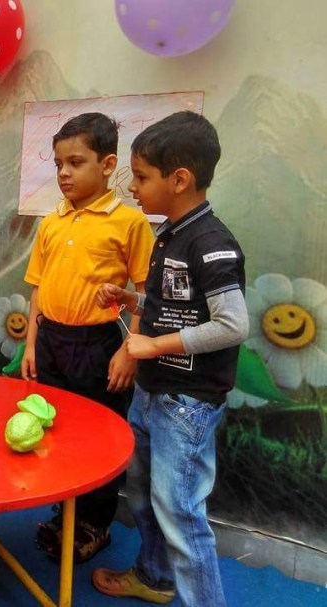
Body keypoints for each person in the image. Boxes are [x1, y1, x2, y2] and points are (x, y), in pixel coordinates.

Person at [92, 111, 248, 606]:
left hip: (187, 403)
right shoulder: (169, 234)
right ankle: (155, 577)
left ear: (179, 180)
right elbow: (176, 307)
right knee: (142, 494)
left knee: (180, 513)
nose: (132, 187)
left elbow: (232, 325)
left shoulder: (212, 243)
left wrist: (154, 346)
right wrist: (131, 299)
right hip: (152, 392)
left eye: (141, 177)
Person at [20, 113, 155, 563]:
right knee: (55, 429)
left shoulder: (130, 223)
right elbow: (37, 287)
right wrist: (31, 343)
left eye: (76, 163)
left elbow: (145, 295)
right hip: (51, 341)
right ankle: (66, 512)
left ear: (108, 164)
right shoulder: (51, 222)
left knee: (99, 437)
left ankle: (95, 524)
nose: (64, 173)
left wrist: (129, 352)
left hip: (99, 346)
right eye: (59, 164)